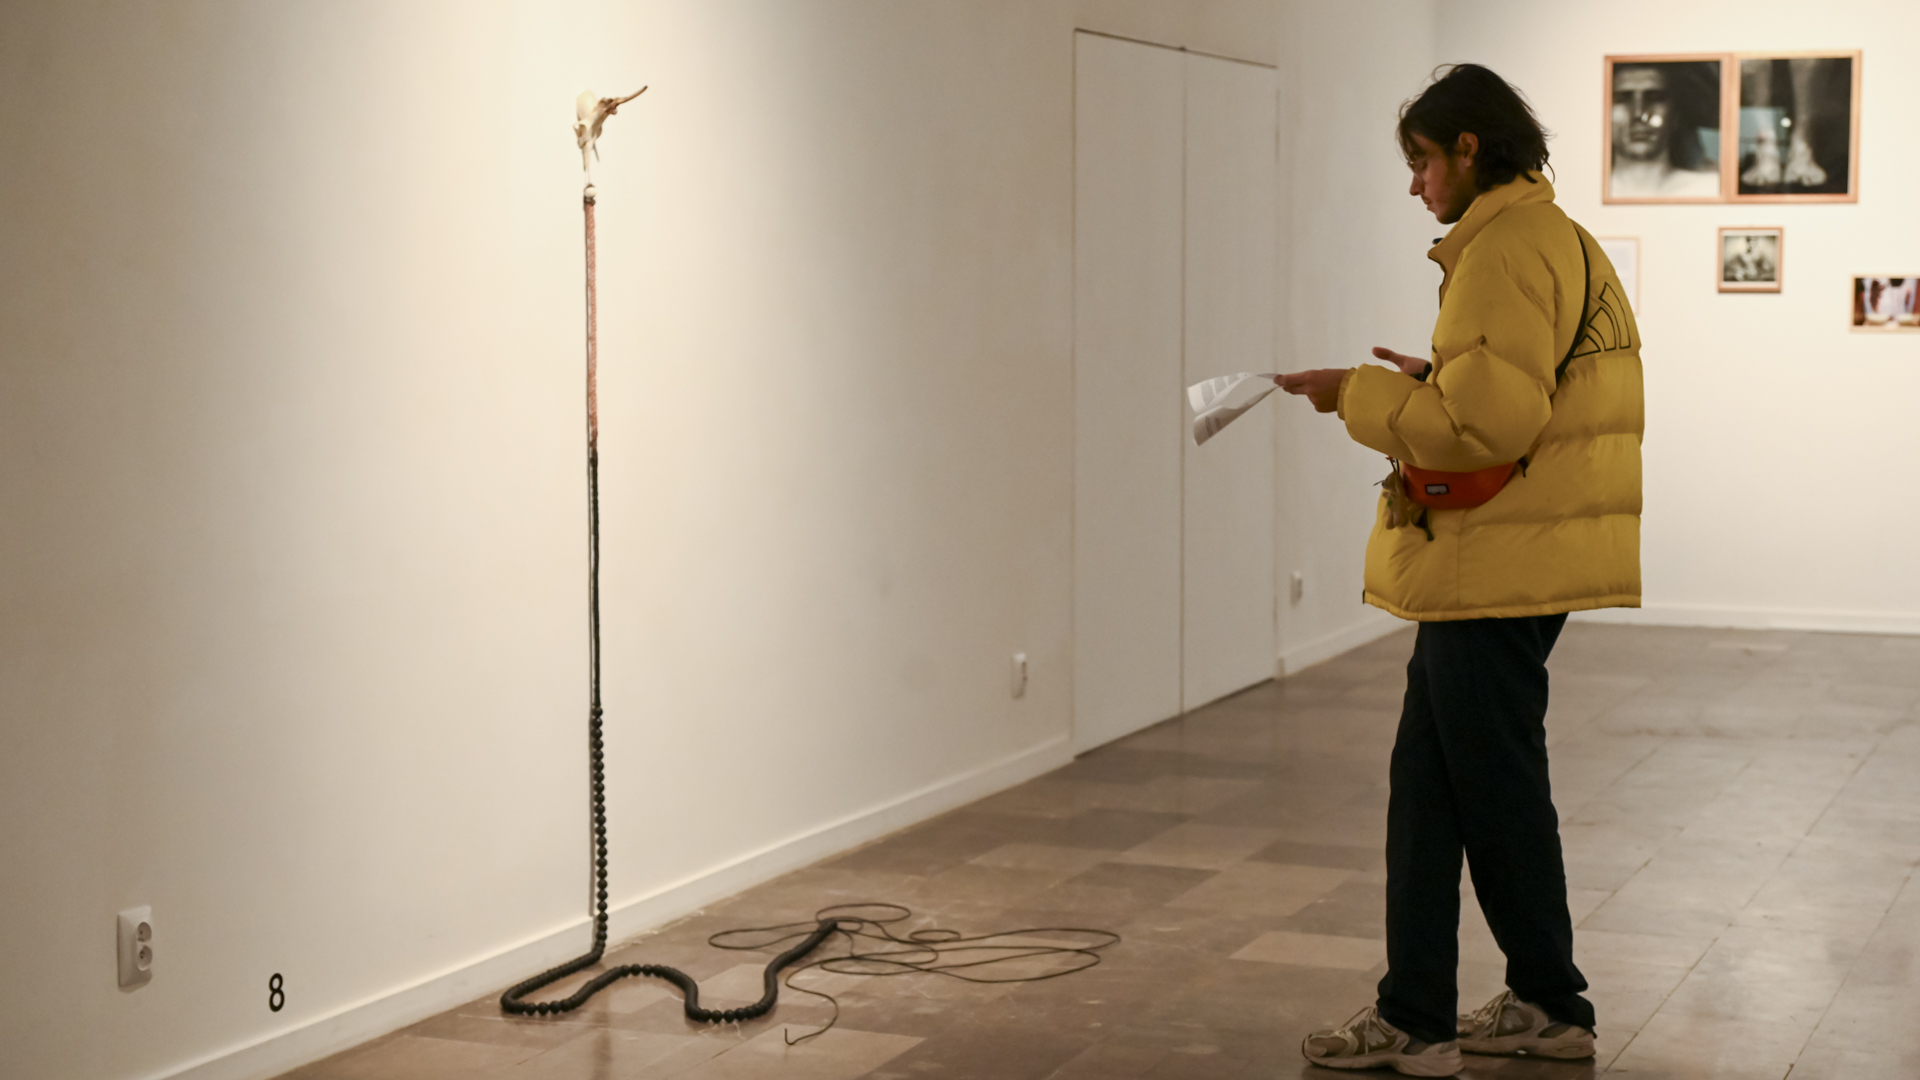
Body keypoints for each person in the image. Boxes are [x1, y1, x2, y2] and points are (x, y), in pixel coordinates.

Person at [1279, 64, 1644, 1076]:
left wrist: (1355, 394)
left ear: (1470, 150)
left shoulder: (1505, 251)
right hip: (1522, 552)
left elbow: (1481, 429)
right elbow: (1523, 398)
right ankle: (1478, 1007)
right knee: (1440, 785)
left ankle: (1510, 1007)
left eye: (1423, 161)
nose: (1415, 184)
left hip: (1498, 559)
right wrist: (1438, 379)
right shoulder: (1556, 237)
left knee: (1483, 786)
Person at [1609, 62, 1720, 199]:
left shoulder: (1710, 188)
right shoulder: (1589, 189)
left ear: (1676, 115)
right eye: (1622, 99)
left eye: (1654, 98)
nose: (1638, 114)